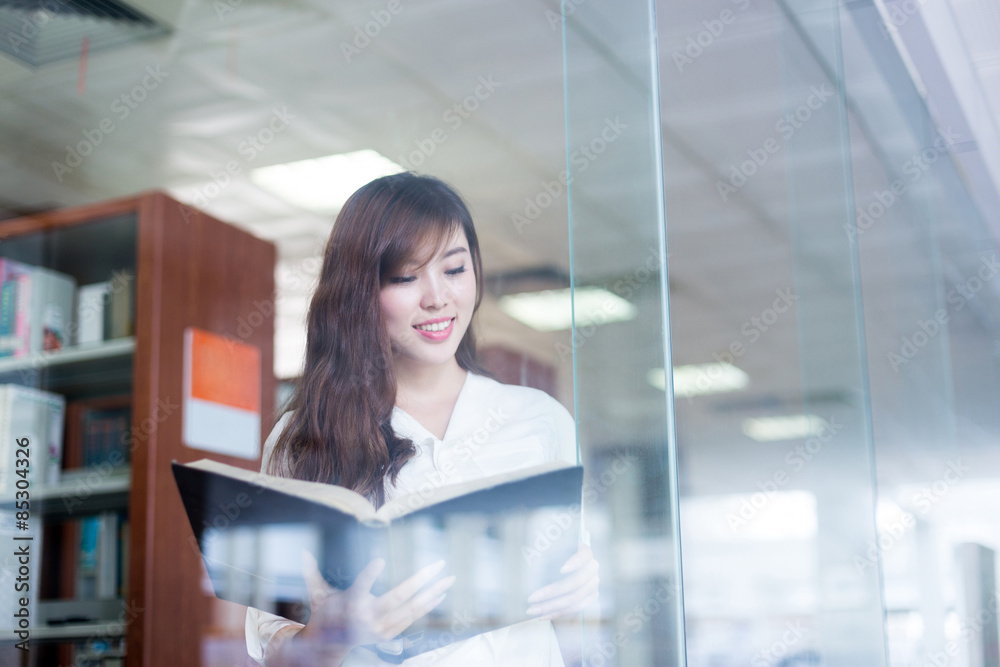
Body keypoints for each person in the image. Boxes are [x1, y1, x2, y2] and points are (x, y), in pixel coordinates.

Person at [246, 172, 598, 666]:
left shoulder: (539, 420)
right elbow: (273, 648)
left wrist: (582, 587)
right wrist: (329, 634)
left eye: (454, 270)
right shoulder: (304, 439)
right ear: (360, 292)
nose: (437, 297)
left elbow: (568, 604)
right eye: (406, 277)